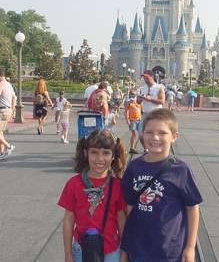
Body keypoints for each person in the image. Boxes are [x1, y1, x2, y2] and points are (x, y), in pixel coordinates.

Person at [121, 108, 203, 261]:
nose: (155, 137)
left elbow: (192, 207)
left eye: (162, 133)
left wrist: (190, 247)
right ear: (142, 134)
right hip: (140, 247)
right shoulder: (134, 167)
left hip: (171, 249)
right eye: (149, 132)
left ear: (174, 136)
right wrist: (126, 248)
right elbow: (129, 207)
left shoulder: (181, 169)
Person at [58, 129, 128, 262]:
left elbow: (121, 220)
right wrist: (68, 254)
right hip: (82, 249)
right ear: (85, 153)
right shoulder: (74, 184)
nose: (100, 158)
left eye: (106, 153)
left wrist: (124, 254)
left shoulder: (117, 185)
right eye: (94, 152)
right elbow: (68, 220)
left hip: (112, 251)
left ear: (113, 155)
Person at [137, 70, 165, 152]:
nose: (145, 79)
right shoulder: (142, 89)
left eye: (147, 77)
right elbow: (139, 102)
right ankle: (146, 149)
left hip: (156, 114)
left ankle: (158, 150)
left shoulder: (159, 88)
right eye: (144, 77)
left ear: (152, 77)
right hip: (145, 114)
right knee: (141, 135)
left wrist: (150, 99)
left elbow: (162, 101)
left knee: (156, 134)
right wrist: (139, 100)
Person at [0, 70, 16, 160]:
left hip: (2, 110)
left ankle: (9, 146)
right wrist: (12, 109)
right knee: (0, 132)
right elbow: (14, 97)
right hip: (8, 109)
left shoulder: (1, 84)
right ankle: (1, 152)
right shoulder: (9, 85)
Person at [124, 90, 142, 154]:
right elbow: (126, 111)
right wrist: (127, 119)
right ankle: (132, 147)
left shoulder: (139, 102)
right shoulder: (128, 103)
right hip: (132, 120)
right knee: (134, 133)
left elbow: (141, 110)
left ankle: (146, 148)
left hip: (139, 119)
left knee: (141, 134)